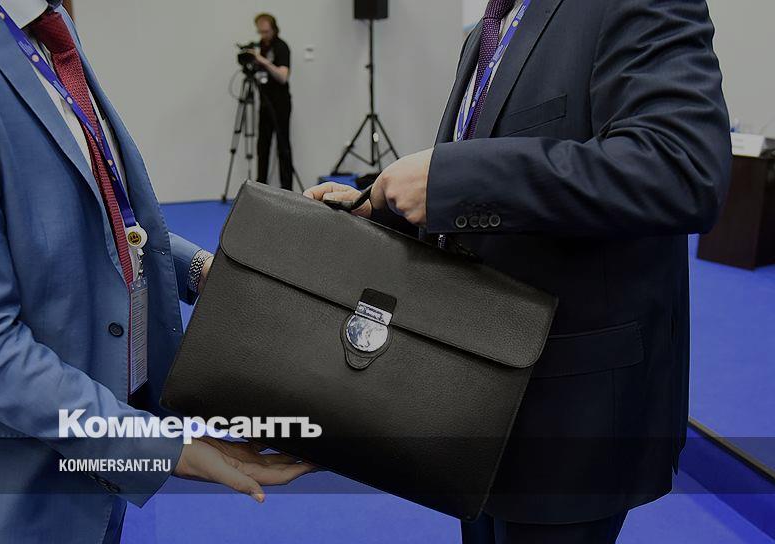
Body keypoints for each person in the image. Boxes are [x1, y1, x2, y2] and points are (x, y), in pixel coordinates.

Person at [0, 0, 310, 542]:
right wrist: (162, 446)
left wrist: (211, 275)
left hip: (86, 430)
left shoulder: (41, 25)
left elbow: (96, 219)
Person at [306, 0, 731, 542]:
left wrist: (455, 179)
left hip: (574, 413)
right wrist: (381, 207)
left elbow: (679, 167)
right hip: (480, 402)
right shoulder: (487, 30)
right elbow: (495, 185)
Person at [245, 13, 294, 190]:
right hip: (265, 104)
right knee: (262, 147)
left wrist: (263, 61)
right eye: (260, 31)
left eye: (266, 31)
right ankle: (261, 188)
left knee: (283, 146)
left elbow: (283, 76)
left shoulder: (281, 47)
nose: (263, 35)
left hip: (280, 103)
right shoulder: (260, 47)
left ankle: (287, 189)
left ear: (273, 29)